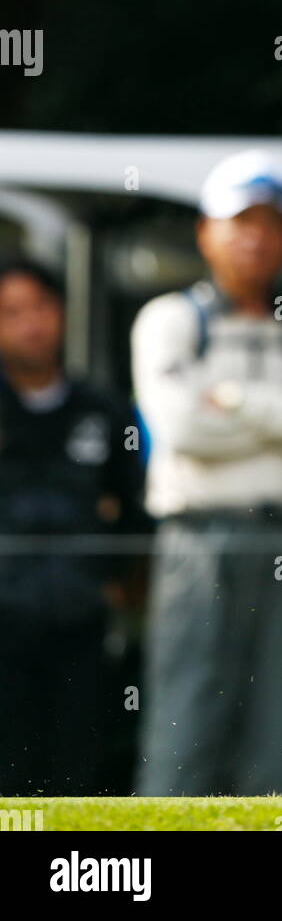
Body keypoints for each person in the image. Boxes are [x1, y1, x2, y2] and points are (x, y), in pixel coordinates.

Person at [132, 150, 282, 795]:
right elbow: (182, 431)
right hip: (196, 542)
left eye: (272, 224)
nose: (257, 238)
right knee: (184, 723)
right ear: (207, 232)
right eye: (241, 222)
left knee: (280, 734)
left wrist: (234, 400)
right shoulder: (167, 320)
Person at [0, 258, 147, 795]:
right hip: (4, 625)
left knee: (76, 774)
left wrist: (117, 580)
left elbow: (134, 509)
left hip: (81, 622)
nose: (30, 324)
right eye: (12, 312)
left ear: (61, 312)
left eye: (40, 307)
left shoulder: (103, 409)